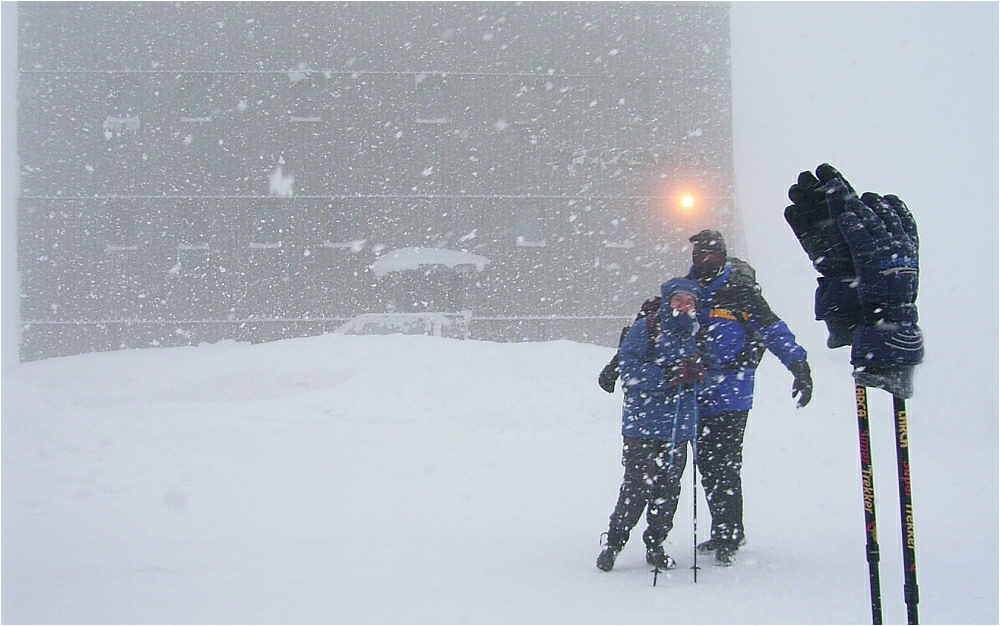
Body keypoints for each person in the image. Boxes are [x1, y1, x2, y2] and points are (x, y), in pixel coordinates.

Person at [684, 229, 813, 566]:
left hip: (733, 393)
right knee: (708, 466)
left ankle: (729, 533)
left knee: (726, 464)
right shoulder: (685, 291)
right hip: (697, 393)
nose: (705, 259)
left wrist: (798, 364)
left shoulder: (741, 292)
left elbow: (773, 329)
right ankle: (725, 528)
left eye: (711, 253)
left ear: (723, 255)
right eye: (700, 254)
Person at [596, 277, 712, 572]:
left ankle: (655, 543)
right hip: (643, 425)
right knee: (636, 488)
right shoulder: (646, 328)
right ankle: (614, 543)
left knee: (669, 489)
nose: (683, 307)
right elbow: (629, 370)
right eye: (678, 301)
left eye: (689, 302)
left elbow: (708, 375)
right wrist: (666, 377)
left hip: (678, 426)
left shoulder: (696, 334)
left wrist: (698, 374)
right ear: (668, 300)